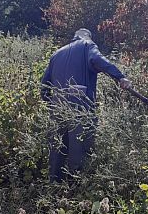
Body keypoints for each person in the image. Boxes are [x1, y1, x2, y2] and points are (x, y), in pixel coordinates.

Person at [41, 28, 133, 182]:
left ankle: (54, 187)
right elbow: (99, 60)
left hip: (57, 110)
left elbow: (44, 88)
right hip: (80, 109)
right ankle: (76, 188)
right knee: (79, 150)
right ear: (88, 37)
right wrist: (120, 77)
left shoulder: (56, 54)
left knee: (57, 151)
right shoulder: (87, 45)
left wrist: (53, 104)